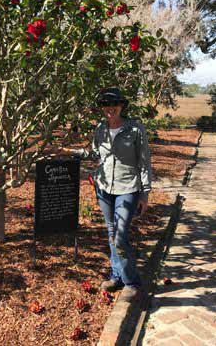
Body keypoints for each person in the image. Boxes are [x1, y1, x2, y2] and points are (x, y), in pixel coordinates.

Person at [61, 87, 152, 302]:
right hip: (103, 186)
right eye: (105, 104)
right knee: (111, 232)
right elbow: (94, 153)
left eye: (114, 104)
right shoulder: (101, 128)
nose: (110, 108)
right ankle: (117, 276)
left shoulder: (135, 130)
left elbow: (144, 163)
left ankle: (132, 282)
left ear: (122, 106)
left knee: (120, 236)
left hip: (128, 187)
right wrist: (69, 152)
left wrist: (145, 193)